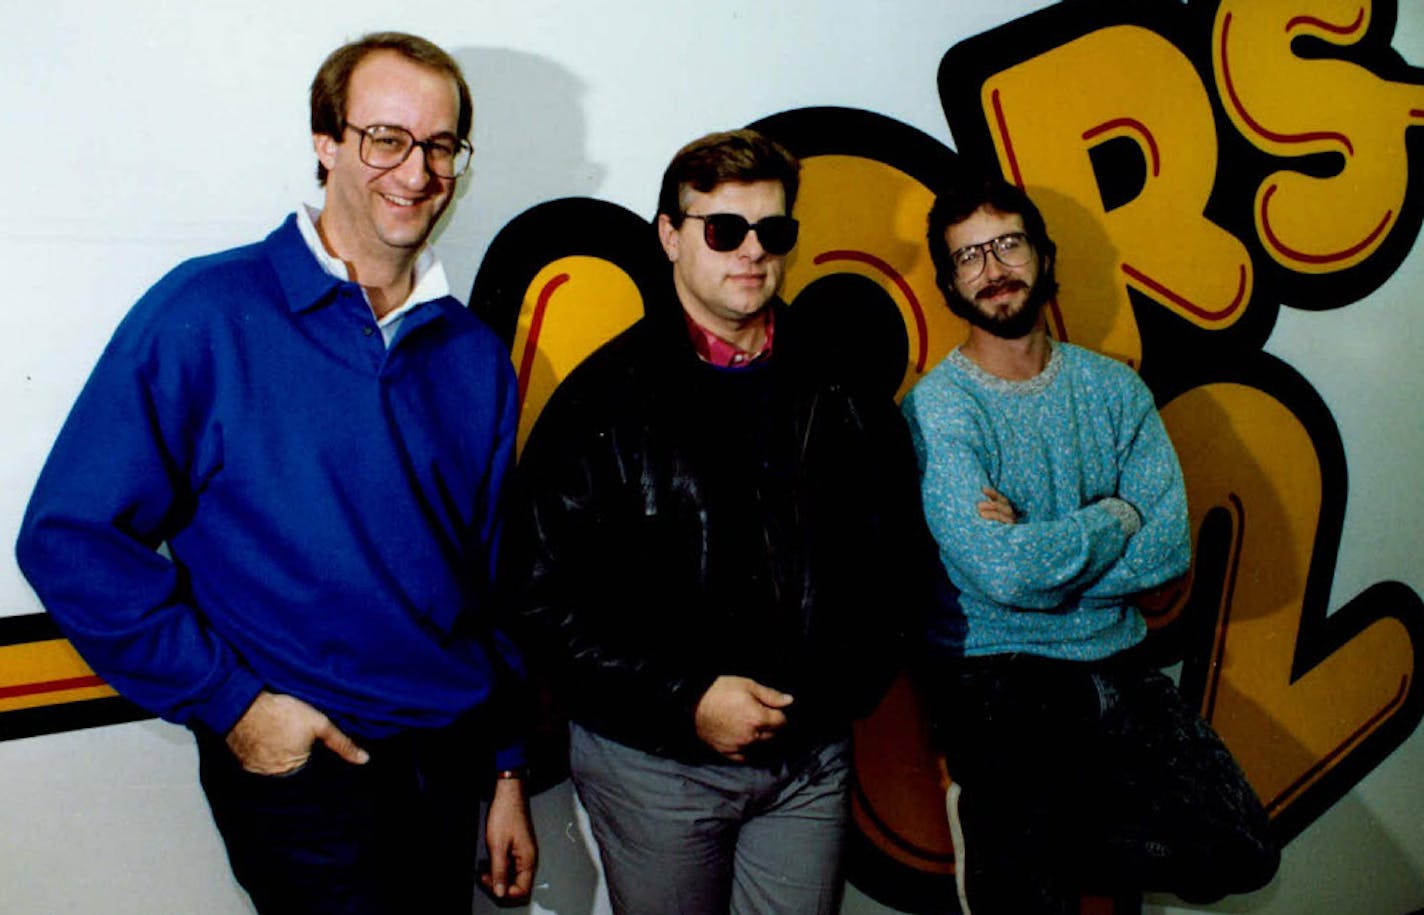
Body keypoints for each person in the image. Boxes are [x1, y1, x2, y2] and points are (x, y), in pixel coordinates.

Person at [15, 32, 537, 914]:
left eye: (440, 145)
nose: (416, 171)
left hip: (448, 761)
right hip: (310, 775)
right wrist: (234, 704)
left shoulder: (474, 355)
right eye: (386, 138)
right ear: (326, 142)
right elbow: (70, 537)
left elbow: (489, 584)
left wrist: (507, 765)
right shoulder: (211, 311)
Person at [503, 128, 932, 915]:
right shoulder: (603, 400)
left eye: (774, 231)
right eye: (724, 229)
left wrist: (842, 690)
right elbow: (536, 593)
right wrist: (684, 698)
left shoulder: (840, 386)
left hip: (809, 761)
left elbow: (895, 549)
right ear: (670, 235)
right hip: (655, 764)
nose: (752, 252)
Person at [899, 173, 1279, 913]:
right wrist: (1112, 516)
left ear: (1042, 254)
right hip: (998, 674)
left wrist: (1045, 550)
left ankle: (1029, 829)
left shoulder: (1115, 391)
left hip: (1118, 658)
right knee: (1031, 893)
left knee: (1239, 846)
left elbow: (1168, 549)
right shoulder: (938, 411)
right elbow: (1004, 574)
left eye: (1007, 243)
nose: (993, 268)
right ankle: (1018, 835)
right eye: (969, 256)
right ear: (949, 282)